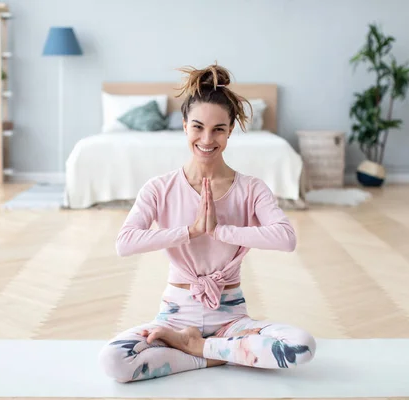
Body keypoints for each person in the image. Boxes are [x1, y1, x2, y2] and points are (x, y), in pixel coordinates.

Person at [98, 63, 316, 383]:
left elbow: (286, 239)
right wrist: (192, 231)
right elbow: (125, 242)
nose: (207, 139)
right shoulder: (159, 188)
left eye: (218, 129)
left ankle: (199, 349)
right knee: (114, 361)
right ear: (185, 126)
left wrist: (220, 231)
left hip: (232, 319)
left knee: (301, 346)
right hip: (174, 317)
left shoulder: (251, 188)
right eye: (198, 127)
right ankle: (216, 352)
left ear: (230, 131)